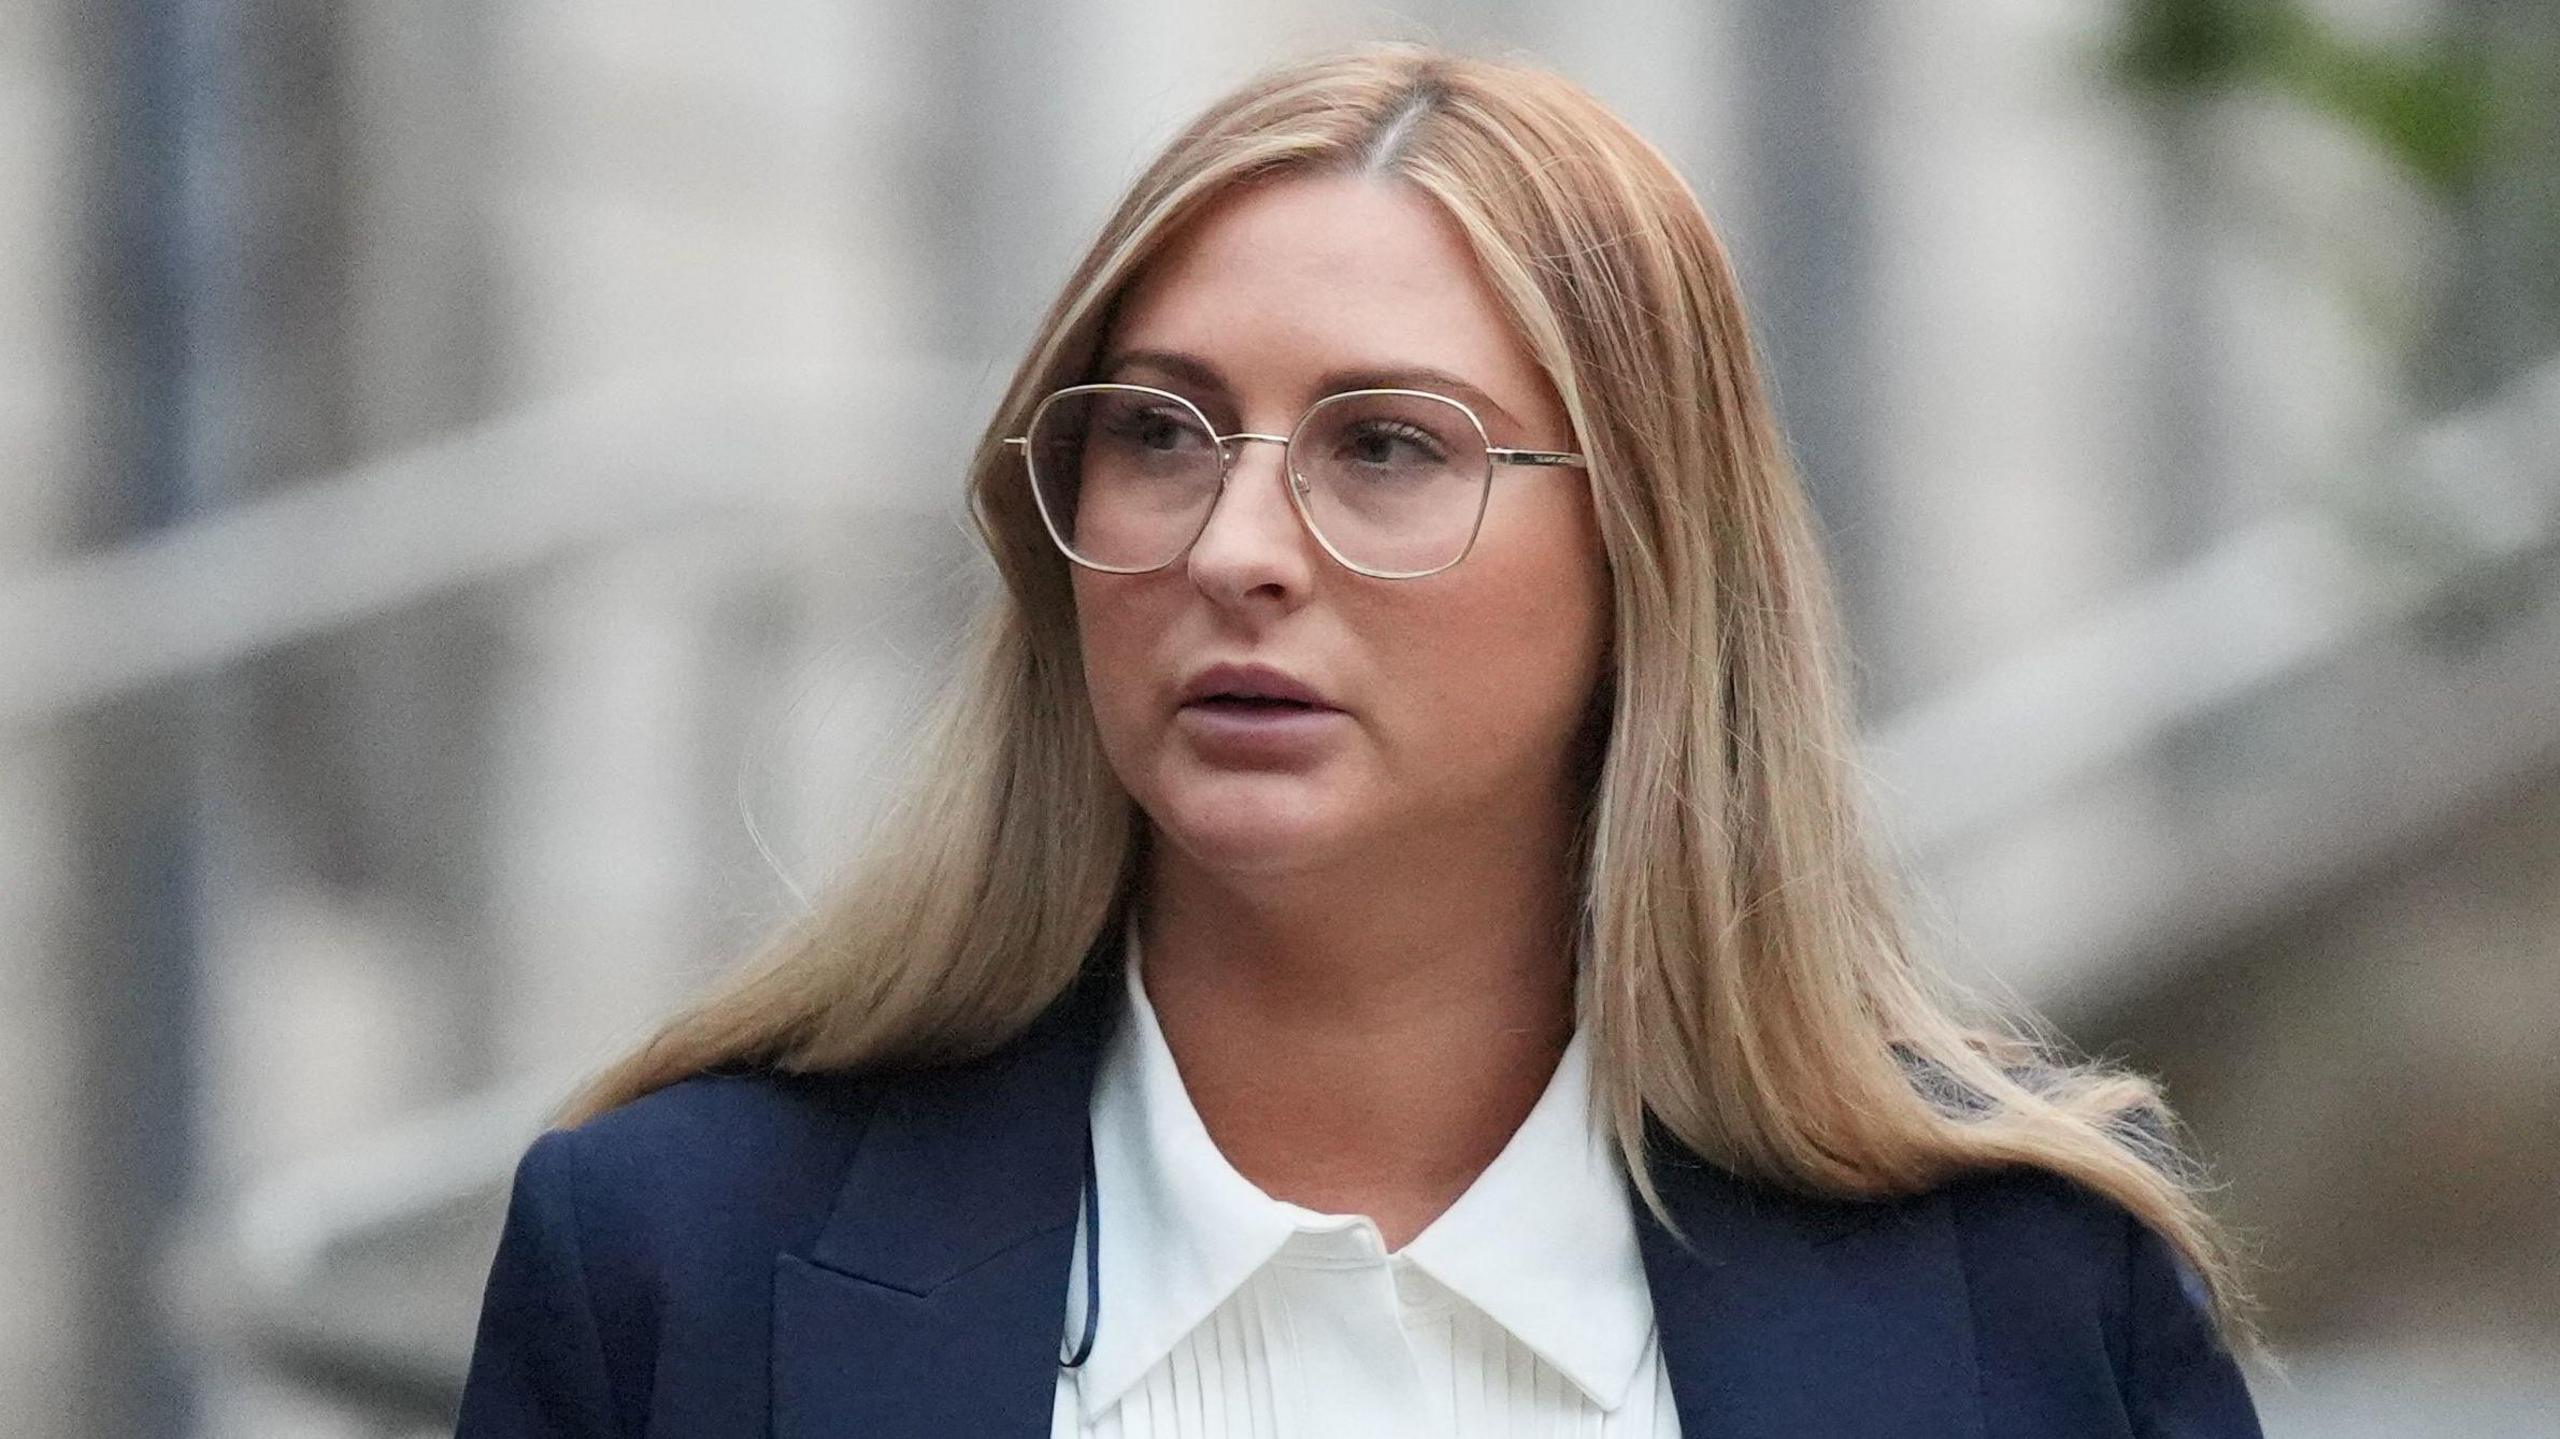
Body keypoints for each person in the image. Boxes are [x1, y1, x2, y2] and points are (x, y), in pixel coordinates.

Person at [454, 42, 2266, 1439]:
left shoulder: (2033, 1303)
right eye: (1160, 431)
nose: (1234, 551)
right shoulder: (670, 1264)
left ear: (1649, 553)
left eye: (1389, 448)